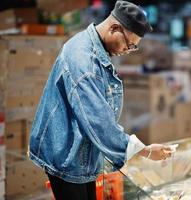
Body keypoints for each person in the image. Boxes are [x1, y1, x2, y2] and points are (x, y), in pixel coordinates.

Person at [28, 1, 173, 199]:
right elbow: (98, 121)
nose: (127, 50)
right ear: (114, 27)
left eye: (133, 48)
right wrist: (144, 151)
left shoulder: (95, 49)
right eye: (129, 45)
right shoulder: (83, 60)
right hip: (66, 155)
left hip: (82, 153)